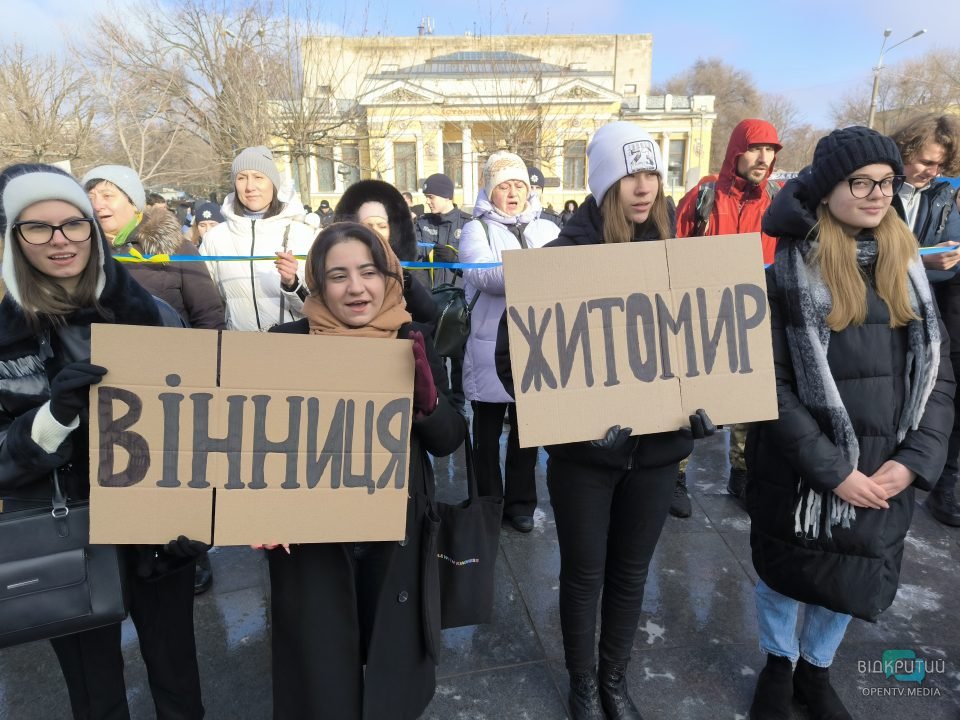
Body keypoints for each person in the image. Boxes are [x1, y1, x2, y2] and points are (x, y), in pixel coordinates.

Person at [494, 122, 716, 720]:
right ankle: (584, 685)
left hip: (658, 454)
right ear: (603, 182)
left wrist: (706, 403)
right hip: (584, 460)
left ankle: (615, 679)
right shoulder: (555, 263)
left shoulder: (680, 259)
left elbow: (705, 345)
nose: (643, 188)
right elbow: (514, 363)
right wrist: (575, 420)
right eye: (629, 174)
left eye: (652, 174)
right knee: (585, 574)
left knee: (630, 574)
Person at [746, 127, 954, 720]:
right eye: (860, 181)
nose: (876, 194)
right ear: (826, 187)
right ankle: (778, 666)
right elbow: (770, 386)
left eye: (886, 182)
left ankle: (816, 671)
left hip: (886, 460)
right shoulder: (785, 270)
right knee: (787, 572)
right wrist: (833, 472)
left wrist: (913, 463)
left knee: (850, 571)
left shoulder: (906, 265)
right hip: (802, 465)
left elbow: (937, 372)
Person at [0, 163, 208, 719]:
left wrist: (201, 512)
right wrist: (53, 417)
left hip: (158, 530)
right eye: (37, 227)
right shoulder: (3, 337)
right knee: (95, 696)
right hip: (62, 535)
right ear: (13, 238)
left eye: (74, 223)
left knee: (178, 680)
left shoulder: (153, 315)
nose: (60, 239)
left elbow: (201, 424)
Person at [260, 222, 467, 720]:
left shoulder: (412, 337)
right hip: (313, 543)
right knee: (322, 672)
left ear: (388, 275)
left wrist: (429, 403)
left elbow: (448, 440)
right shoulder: (284, 342)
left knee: (392, 658)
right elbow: (255, 448)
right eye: (338, 275)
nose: (356, 288)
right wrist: (259, 513)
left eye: (368, 271)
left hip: (396, 531)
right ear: (317, 283)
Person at [672, 119, 784, 519]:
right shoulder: (703, 196)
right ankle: (676, 474)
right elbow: (674, 249)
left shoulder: (778, 199)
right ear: (737, 151)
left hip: (756, 313)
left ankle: (741, 472)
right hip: (701, 313)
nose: (764, 158)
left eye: (771, 151)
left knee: (749, 397)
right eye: (756, 149)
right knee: (690, 394)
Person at [459, 151, 560, 533]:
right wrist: (540, 269)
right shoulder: (476, 230)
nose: (513, 192)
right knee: (485, 435)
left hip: (537, 343)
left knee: (527, 433)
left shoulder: (548, 228)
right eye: (504, 186)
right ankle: (486, 500)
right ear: (490, 191)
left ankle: (520, 502)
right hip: (488, 347)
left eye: (519, 184)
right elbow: (486, 277)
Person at [890, 113, 960, 527]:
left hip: (921, 310)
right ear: (906, 149)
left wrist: (940, 261)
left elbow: (946, 265)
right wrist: (920, 259)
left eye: (939, 166)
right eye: (925, 161)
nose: (931, 172)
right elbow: (862, 250)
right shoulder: (879, 185)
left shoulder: (941, 196)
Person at [83, 165, 226, 333]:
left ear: (133, 202)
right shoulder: (81, 255)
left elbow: (208, 315)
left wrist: (203, 355)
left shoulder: (174, 247)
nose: (97, 205)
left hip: (171, 354)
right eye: (90, 198)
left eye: (107, 196)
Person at [199, 146, 315, 331]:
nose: (250, 187)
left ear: (273, 184)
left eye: (258, 177)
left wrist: (292, 284)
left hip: (290, 348)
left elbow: (317, 310)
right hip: (238, 350)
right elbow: (205, 304)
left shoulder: (303, 235)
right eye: (241, 178)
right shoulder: (215, 238)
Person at [334, 178, 437, 326]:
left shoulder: (409, 267)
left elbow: (428, 313)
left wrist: (405, 280)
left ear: (391, 230)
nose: (375, 232)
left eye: (381, 226)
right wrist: (292, 284)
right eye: (368, 225)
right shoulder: (338, 263)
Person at [415, 173, 471, 289]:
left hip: (459, 298)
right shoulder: (423, 223)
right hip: (430, 298)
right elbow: (410, 255)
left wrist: (455, 259)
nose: (427, 201)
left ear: (446, 196)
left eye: (431, 197)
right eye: (426, 197)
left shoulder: (468, 224)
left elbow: (479, 269)